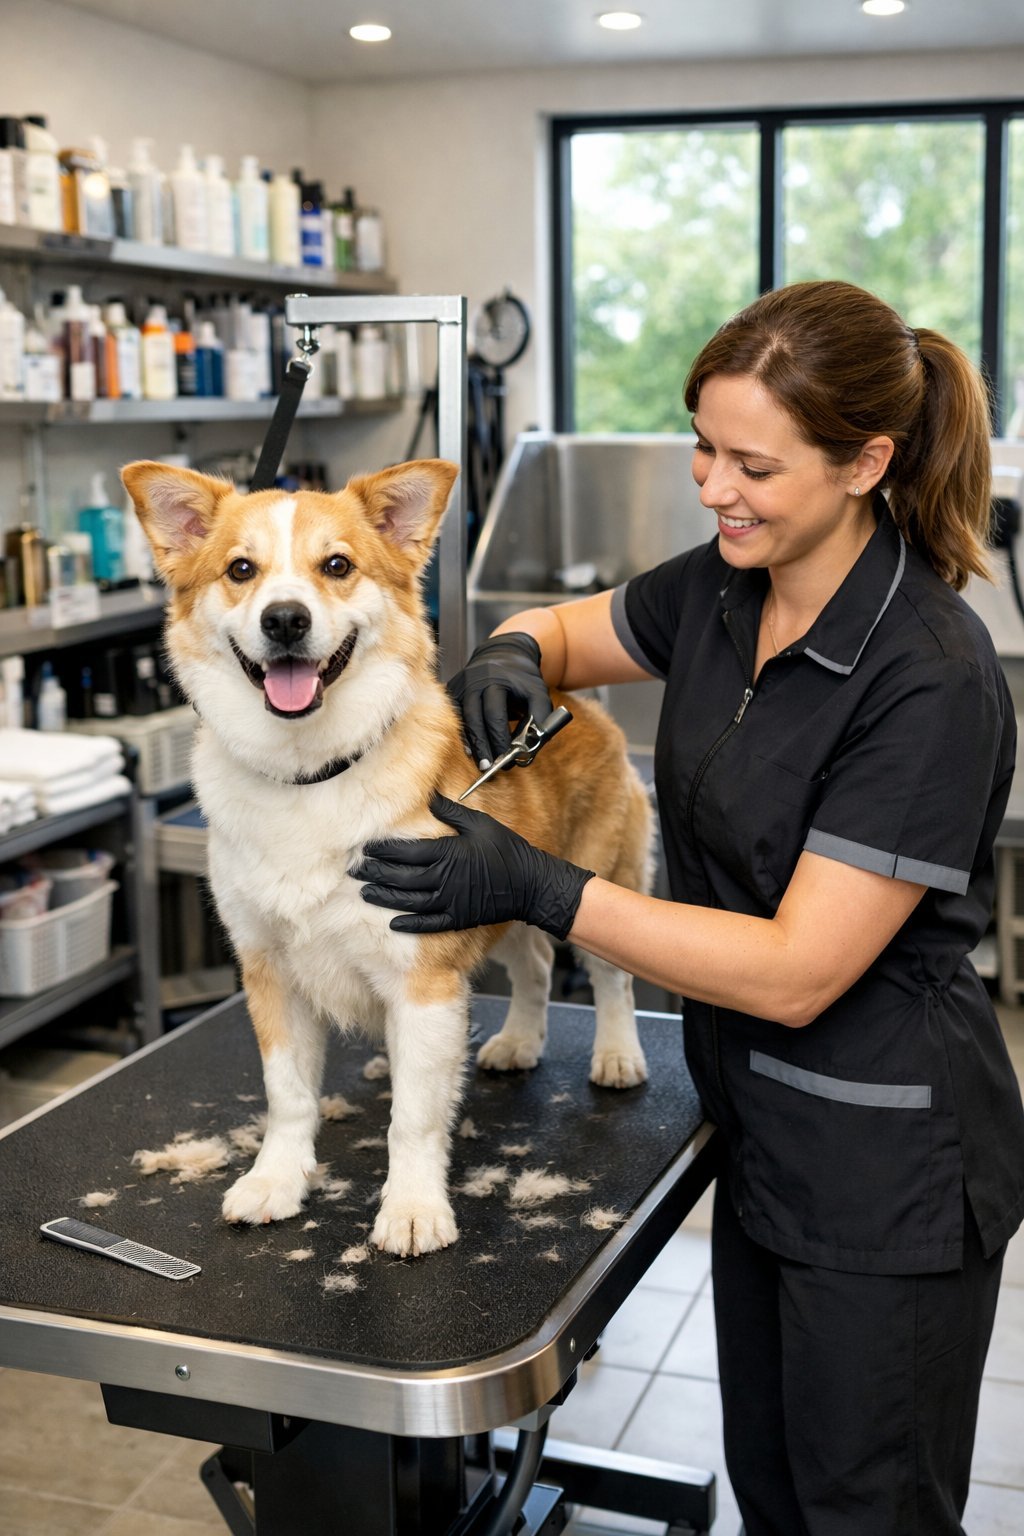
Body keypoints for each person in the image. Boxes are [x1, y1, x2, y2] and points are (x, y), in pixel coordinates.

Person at [355, 280, 1024, 1536]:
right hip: (759, 1128)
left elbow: (794, 972)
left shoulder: (927, 677)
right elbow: (564, 630)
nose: (713, 487)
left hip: (888, 1170)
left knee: (863, 1510)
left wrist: (542, 888)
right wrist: (511, 653)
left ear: (865, 463)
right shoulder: (727, 582)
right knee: (774, 1489)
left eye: (751, 464)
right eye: (702, 449)